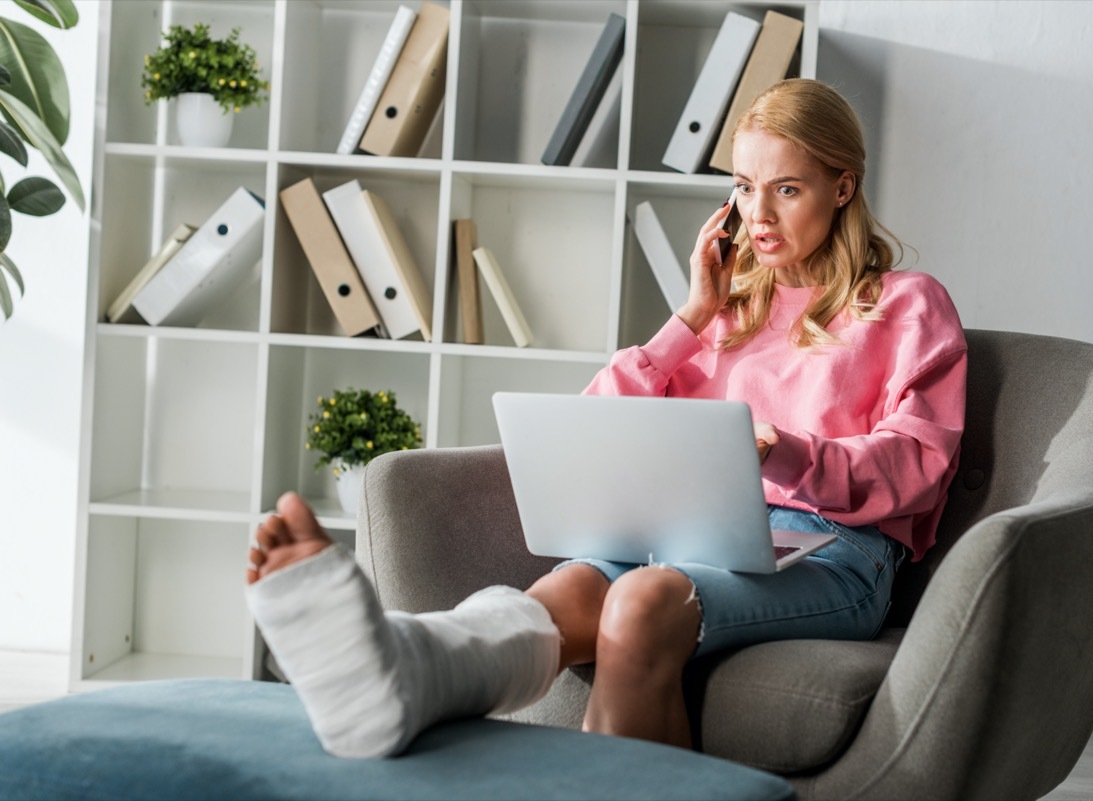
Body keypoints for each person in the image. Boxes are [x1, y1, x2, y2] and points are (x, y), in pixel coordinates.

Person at [246, 78, 967, 759]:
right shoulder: (730, 311)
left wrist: (787, 457)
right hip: (695, 534)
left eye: (787, 189)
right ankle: (400, 675)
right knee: (556, 597)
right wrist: (690, 317)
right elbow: (596, 421)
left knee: (643, 599)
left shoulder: (905, 303)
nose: (759, 216)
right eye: (744, 189)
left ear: (843, 186)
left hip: (837, 553)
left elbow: (919, 466)